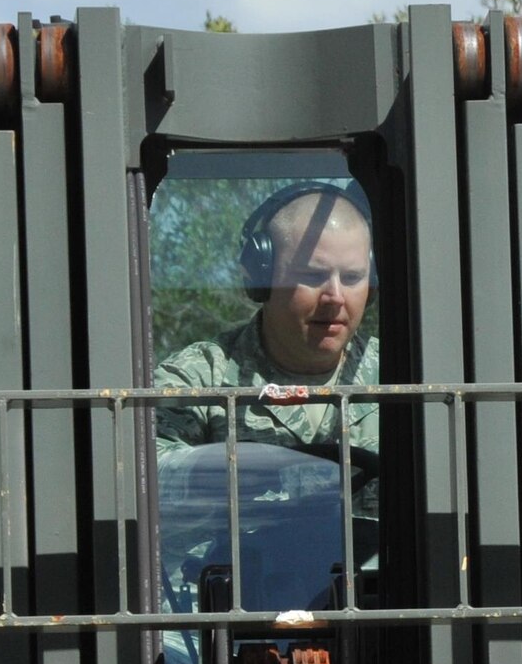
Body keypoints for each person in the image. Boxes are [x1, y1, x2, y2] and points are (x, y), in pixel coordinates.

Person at [153, 181, 380, 459]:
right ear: (262, 277)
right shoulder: (198, 379)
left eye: (352, 278)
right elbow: (153, 476)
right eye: (312, 276)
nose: (335, 297)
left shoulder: (401, 375)